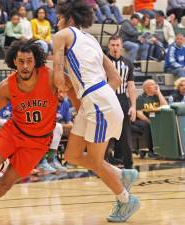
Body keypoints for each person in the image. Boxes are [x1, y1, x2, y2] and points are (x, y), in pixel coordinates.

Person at [52, 0, 140, 222]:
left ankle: (125, 199)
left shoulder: (61, 36)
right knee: (72, 155)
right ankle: (122, 174)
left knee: (96, 161)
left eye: (59, 17)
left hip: (96, 101)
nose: (57, 21)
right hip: (100, 97)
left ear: (69, 18)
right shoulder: (91, 40)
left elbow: (57, 78)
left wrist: (66, 85)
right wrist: (98, 95)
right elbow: (116, 79)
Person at [0, 39, 58, 222]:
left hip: (38, 142)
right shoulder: (7, 86)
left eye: (29, 61)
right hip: (14, 132)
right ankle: (2, 161)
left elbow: (73, 89)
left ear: (35, 60)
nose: (25, 66)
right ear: (14, 61)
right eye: (21, 61)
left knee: (6, 184)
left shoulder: (51, 77)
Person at [106, 35, 136, 169]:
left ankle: (129, 165)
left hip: (122, 99)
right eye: (112, 45)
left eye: (117, 45)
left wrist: (133, 106)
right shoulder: (104, 62)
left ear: (121, 47)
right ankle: (102, 164)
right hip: (106, 100)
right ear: (108, 46)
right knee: (104, 133)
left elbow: (131, 85)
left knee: (125, 133)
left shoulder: (128, 63)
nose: (115, 48)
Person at [134, 79, 167, 158]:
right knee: (148, 126)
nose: (156, 86)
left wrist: (159, 93)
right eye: (153, 84)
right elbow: (139, 114)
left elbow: (165, 106)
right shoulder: (141, 98)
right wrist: (149, 121)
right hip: (144, 121)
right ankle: (151, 150)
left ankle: (166, 149)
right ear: (147, 88)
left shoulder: (158, 97)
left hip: (158, 120)